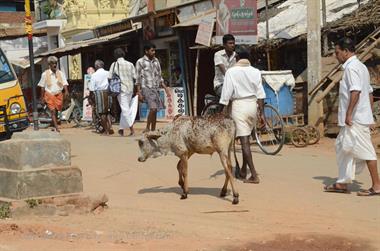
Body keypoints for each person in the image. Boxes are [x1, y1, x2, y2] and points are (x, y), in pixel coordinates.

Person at [324, 37, 380, 196]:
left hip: (355, 120)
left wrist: (349, 114)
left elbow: (356, 91)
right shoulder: (361, 67)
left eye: (337, 52)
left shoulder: (351, 68)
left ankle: (377, 186)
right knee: (344, 148)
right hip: (359, 117)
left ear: (346, 51)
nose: (336, 56)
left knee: (367, 151)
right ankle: (342, 182)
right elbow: (369, 92)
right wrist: (368, 113)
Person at [219, 47, 265, 184]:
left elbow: (226, 93)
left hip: (239, 106)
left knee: (244, 142)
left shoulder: (231, 72)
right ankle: (244, 170)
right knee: (247, 140)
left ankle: (254, 175)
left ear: (237, 58)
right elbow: (261, 93)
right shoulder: (256, 72)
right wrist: (261, 113)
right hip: (253, 106)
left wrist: (222, 110)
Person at [136, 43, 171, 133]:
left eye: (154, 50)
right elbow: (138, 78)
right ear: (146, 51)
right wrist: (139, 92)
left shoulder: (156, 61)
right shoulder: (140, 62)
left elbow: (159, 76)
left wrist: (165, 88)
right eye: (152, 50)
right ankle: (148, 127)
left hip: (155, 88)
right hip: (146, 87)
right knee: (153, 108)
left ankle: (153, 130)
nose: (154, 52)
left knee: (155, 110)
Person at [109, 48, 136, 137]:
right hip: (130, 89)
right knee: (125, 108)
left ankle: (132, 129)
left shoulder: (114, 64)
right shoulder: (130, 64)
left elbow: (109, 77)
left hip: (120, 89)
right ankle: (121, 129)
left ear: (115, 56)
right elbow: (135, 77)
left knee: (125, 109)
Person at [38, 56, 69, 132]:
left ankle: (53, 124)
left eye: (56, 63)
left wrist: (66, 91)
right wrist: (42, 98)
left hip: (59, 94)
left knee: (57, 110)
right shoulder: (45, 74)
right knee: (53, 111)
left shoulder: (60, 73)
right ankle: (57, 128)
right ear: (49, 64)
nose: (54, 65)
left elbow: (64, 83)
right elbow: (42, 87)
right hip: (49, 94)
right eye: (52, 63)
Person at [91, 60, 114, 135]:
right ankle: (110, 127)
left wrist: (91, 98)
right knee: (108, 111)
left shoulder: (94, 75)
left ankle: (106, 130)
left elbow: (92, 88)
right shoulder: (108, 73)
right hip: (108, 92)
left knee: (102, 113)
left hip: (99, 93)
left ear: (97, 66)